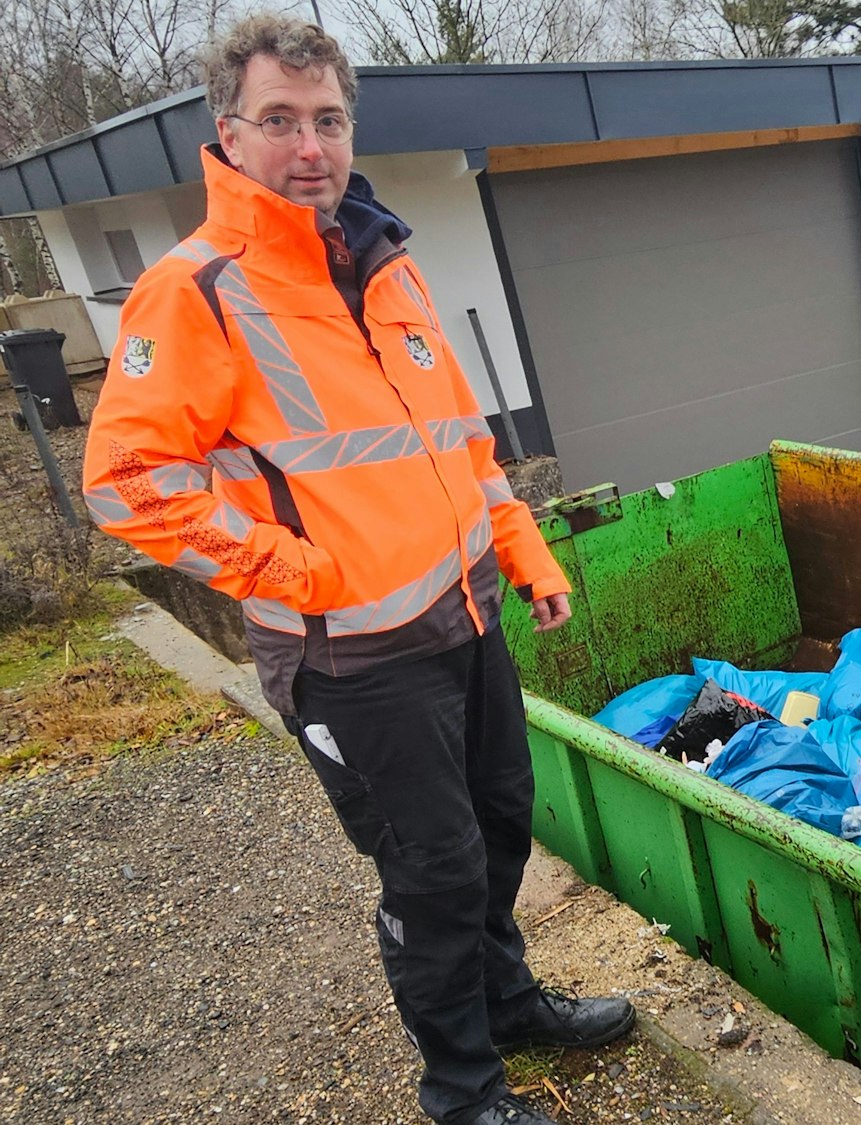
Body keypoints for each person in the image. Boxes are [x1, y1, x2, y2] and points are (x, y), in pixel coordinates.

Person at [81, 16, 629, 1125]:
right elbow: (126, 482)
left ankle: (509, 1004)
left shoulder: (386, 265)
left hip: (465, 620)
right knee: (432, 870)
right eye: (279, 120)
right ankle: (461, 1088)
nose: (309, 147)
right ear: (228, 133)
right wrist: (294, 571)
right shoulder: (195, 292)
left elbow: (461, 444)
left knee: (501, 827)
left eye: (328, 120)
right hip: (353, 657)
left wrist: (521, 552)